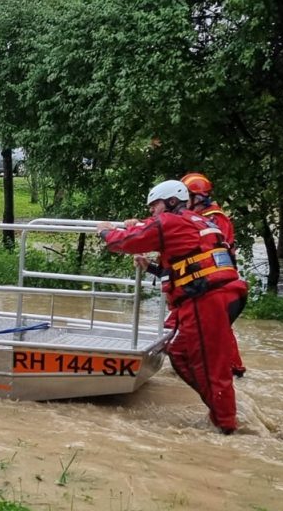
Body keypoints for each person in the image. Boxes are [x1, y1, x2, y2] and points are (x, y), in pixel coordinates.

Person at [97, 180, 247, 434]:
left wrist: (105, 231)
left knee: (211, 366)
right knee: (178, 351)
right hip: (212, 296)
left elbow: (127, 241)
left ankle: (226, 427)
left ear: (171, 202)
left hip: (206, 299)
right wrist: (152, 266)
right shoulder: (195, 220)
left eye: (154, 205)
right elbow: (185, 260)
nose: (151, 211)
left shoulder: (171, 222)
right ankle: (220, 409)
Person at [181, 171, 247, 376]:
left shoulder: (216, 220)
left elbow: (211, 249)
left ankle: (232, 369)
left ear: (198, 198)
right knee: (210, 330)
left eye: (187, 198)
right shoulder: (199, 217)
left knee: (218, 329)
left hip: (216, 283)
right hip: (203, 282)